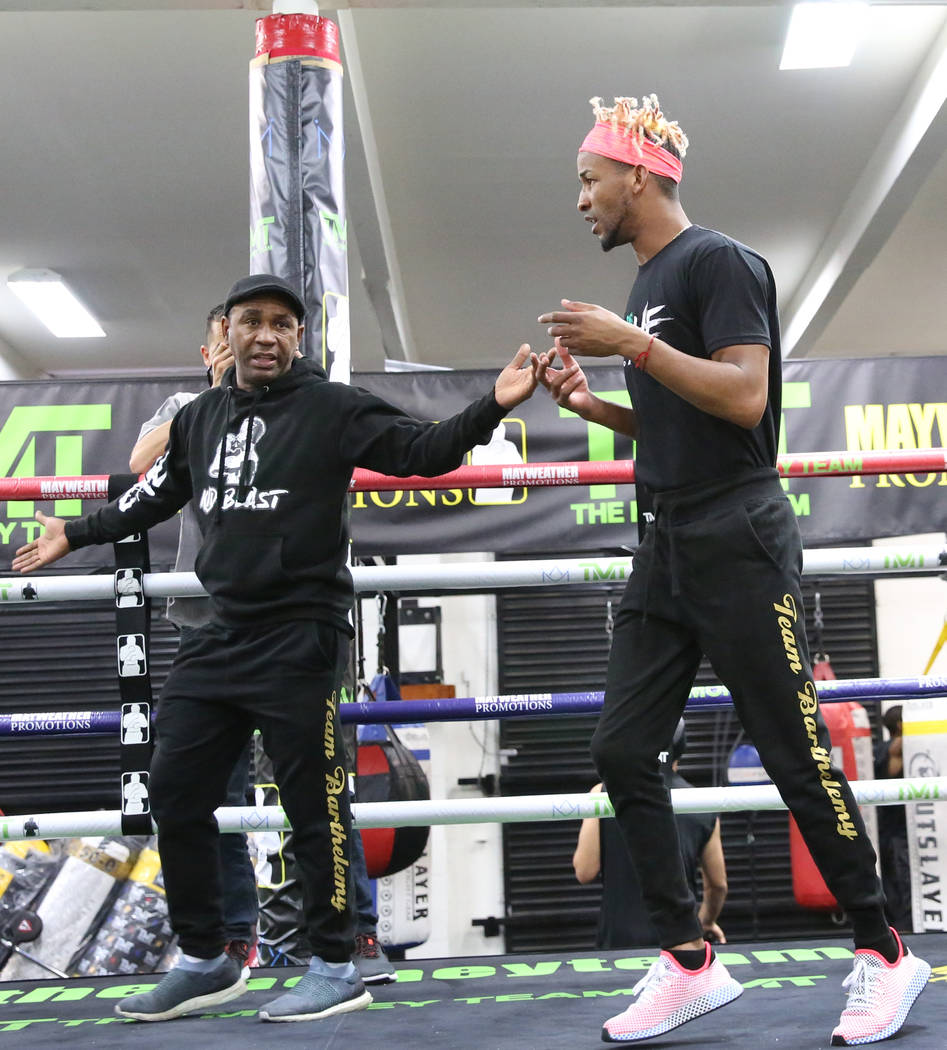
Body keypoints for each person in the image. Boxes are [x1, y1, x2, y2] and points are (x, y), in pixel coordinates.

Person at [14, 272, 537, 1024]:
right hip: (216, 636)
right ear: (225, 332)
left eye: (282, 324)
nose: (265, 335)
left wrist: (494, 404)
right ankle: (205, 958)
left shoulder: (332, 407)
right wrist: (77, 531)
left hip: (299, 635)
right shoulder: (199, 417)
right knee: (174, 792)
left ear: (298, 338)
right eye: (250, 321)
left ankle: (335, 963)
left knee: (312, 807)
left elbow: (423, 454)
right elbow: (153, 495)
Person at [533, 94, 930, 1045]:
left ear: (637, 174)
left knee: (792, 751)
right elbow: (680, 415)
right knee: (621, 751)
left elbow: (745, 399)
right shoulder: (645, 286)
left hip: (738, 538)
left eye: (589, 180)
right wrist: (595, 406)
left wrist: (632, 344)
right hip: (664, 540)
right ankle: (687, 960)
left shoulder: (717, 261)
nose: (580, 199)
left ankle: (883, 952)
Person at [130, 304, 260, 978]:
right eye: (225, 343)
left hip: (280, 622)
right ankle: (231, 937)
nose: (237, 352)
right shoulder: (188, 404)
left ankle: (351, 935)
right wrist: (213, 399)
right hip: (203, 627)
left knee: (318, 784)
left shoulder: (283, 406)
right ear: (209, 349)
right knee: (212, 790)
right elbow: (141, 461)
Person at [573, 719, 727, 949]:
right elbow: (717, 886)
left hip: (619, 942)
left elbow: (584, 871)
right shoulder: (702, 804)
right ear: (681, 748)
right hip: (681, 940)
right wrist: (705, 922)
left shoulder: (604, 793)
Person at [874, 706, 912, 931]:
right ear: (900, 725)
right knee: (901, 884)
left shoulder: (880, 748)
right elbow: (898, 750)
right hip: (896, 833)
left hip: (894, 830)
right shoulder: (893, 749)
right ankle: (904, 931)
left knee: (897, 883)